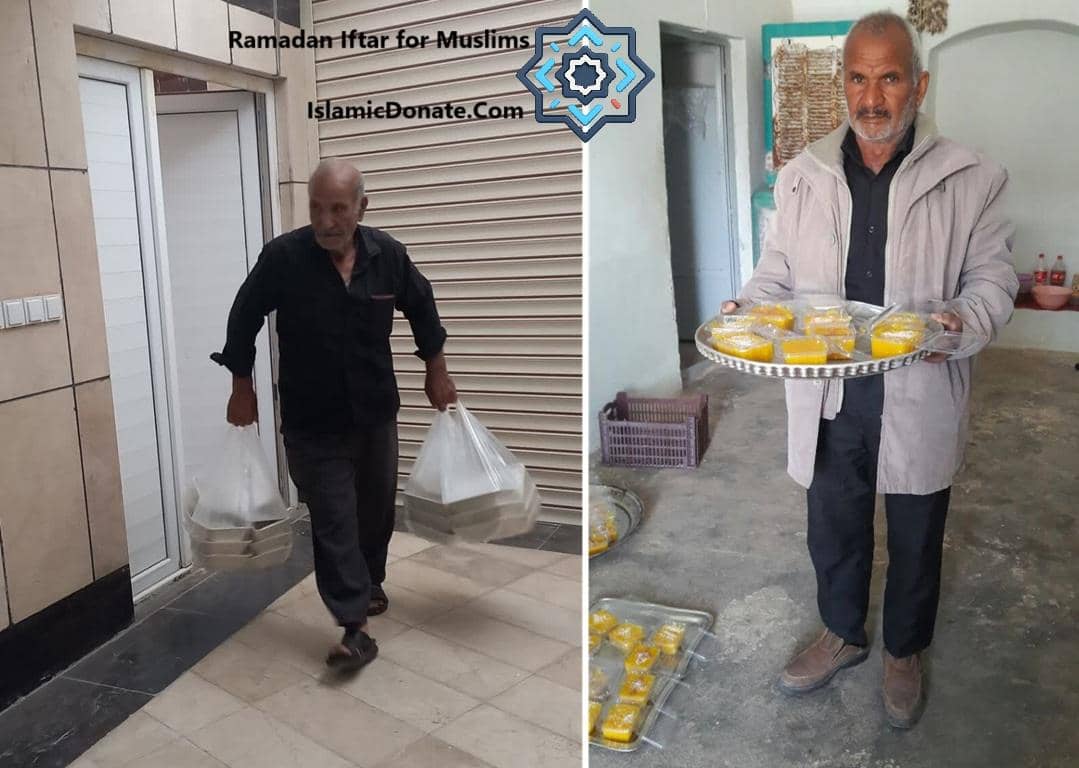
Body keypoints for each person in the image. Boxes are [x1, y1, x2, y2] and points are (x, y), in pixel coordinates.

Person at [725, 11, 1018, 727]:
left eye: (889, 78)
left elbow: (993, 281)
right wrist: (747, 311)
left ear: (917, 84)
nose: (872, 97)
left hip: (917, 386)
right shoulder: (802, 176)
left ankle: (902, 651)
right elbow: (775, 277)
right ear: (842, 85)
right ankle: (843, 634)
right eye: (857, 78)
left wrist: (959, 320)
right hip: (829, 392)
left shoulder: (970, 177)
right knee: (832, 523)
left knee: (917, 531)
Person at [212, 159, 457, 671]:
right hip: (310, 416)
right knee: (333, 518)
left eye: (338, 209)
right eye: (317, 208)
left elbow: (422, 306)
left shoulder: (387, 256)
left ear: (361, 208)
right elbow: (244, 315)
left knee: (375, 512)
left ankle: (370, 584)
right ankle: (353, 628)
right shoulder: (284, 257)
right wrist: (241, 384)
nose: (326, 221)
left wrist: (436, 369)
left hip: (374, 412)